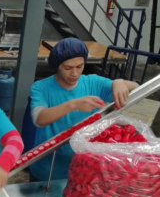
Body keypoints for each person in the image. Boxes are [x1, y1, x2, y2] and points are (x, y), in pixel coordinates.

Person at [29, 38, 138, 182]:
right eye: (68, 68)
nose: (74, 73)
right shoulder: (41, 87)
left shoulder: (92, 82)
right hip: (47, 167)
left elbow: (136, 87)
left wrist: (119, 82)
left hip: (82, 167)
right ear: (57, 66)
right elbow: (39, 118)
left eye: (79, 66)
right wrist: (72, 104)